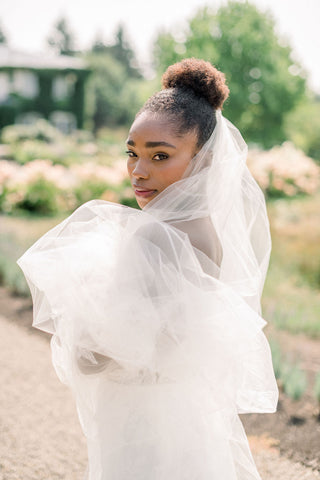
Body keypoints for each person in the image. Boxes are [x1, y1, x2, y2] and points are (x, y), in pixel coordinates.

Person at [17, 58, 278, 480]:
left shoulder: (154, 236)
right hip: (185, 415)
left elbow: (98, 359)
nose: (139, 171)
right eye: (132, 153)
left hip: (143, 421)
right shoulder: (205, 230)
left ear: (204, 160)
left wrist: (81, 310)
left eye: (160, 155)